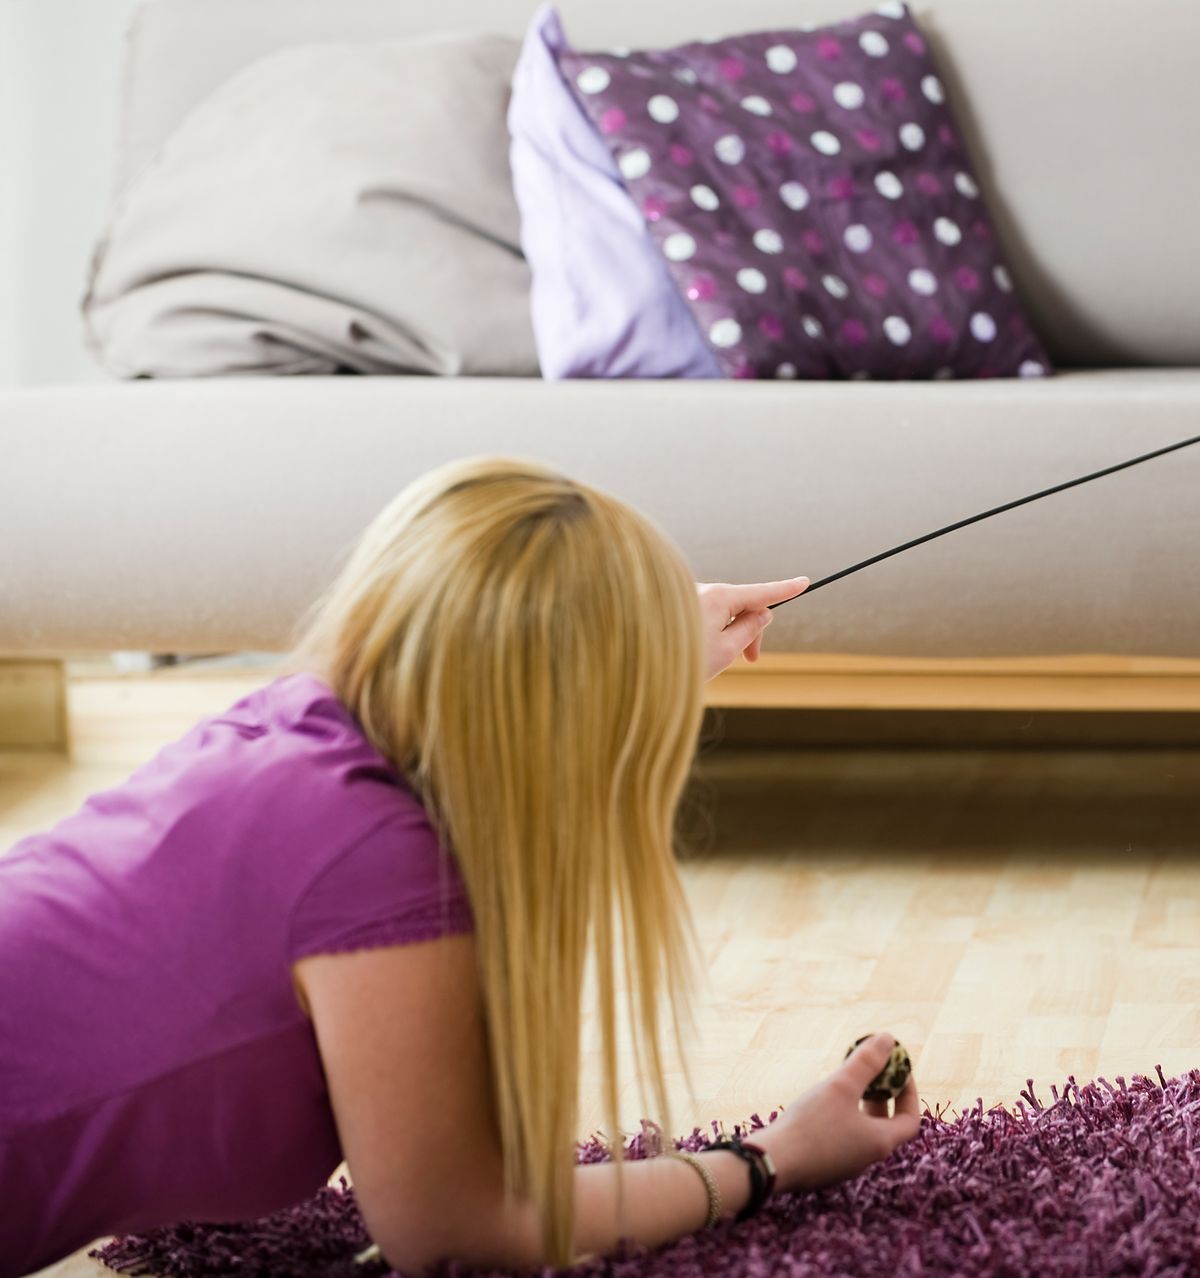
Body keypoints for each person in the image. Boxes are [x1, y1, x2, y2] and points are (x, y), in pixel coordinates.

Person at [0, 458, 921, 1276]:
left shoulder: (291, 723)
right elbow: (456, 1229)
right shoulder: (380, 860)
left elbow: (497, 700)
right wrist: (773, 1160)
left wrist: (641, 651)